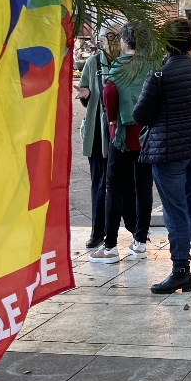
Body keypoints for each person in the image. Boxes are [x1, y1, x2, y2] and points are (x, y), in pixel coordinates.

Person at [133, 19, 191, 294]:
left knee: (175, 211)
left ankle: (181, 270)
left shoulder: (159, 76)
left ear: (166, 44)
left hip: (169, 150)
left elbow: (140, 115)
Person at [89, 24, 155, 264]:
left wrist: (113, 120)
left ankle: (110, 246)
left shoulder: (118, 68)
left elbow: (109, 95)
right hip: (146, 135)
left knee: (114, 189)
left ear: (126, 42)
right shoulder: (152, 66)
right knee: (144, 187)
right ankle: (139, 243)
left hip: (123, 135)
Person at [75, 25, 119, 250]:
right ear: (100, 40)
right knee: (99, 184)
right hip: (97, 133)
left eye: (115, 37)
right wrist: (86, 95)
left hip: (120, 131)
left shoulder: (127, 62)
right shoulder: (93, 63)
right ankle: (98, 231)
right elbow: (84, 90)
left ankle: (121, 231)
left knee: (122, 186)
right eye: (106, 37)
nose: (110, 41)